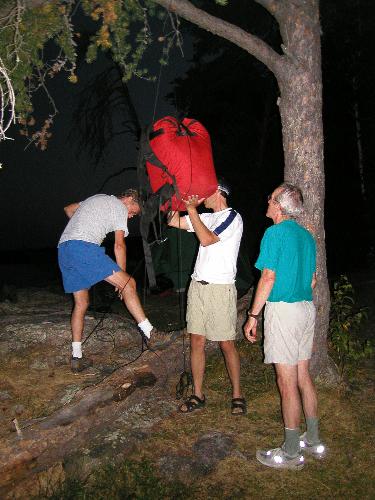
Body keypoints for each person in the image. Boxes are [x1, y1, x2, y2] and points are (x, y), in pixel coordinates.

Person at [244, 182, 325, 470]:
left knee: (286, 381)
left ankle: (291, 454)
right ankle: (313, 440)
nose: (267, 200)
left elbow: (268, 277)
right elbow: (313, 281)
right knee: (303, 375)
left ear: (278, 205)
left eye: (271, 197)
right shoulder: (307, 237)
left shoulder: (275, 233)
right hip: (305, 309)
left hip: (285, 312)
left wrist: (253, 316)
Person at [58, 189, 166, 372]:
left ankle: (77, 356)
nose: (131, 216)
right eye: (134, 211)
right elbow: (119, 245)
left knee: (81, 303)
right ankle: (151, 333)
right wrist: (122, 279)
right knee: (129, 283)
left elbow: (68, 209)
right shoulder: (119, 207)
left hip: (64, 249)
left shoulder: (96, 197)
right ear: (130, 199)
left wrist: (83, 225)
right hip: (83, 247)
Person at [168, 180, 246, 415]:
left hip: (220, 289)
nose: (201, 197)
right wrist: (174, 198)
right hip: (198, 287)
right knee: (196, 342)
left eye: (205, 193)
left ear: (218, 192)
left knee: (226, 343)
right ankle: (198, 394)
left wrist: (192, 209)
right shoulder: (207, 217)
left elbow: (207, 239)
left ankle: (237, 394)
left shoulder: (233, 217)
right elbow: (173, 221)